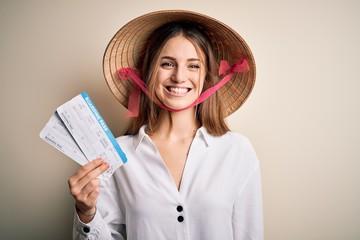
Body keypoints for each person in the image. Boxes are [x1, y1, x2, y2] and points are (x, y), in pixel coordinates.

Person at [69, 10, 263, 240]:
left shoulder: (237, 150)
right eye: (168, 64)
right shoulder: (117, 154)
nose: (179, 77)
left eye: (193, 66)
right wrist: (86, 213)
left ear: (207, 77)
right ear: (149, 72)